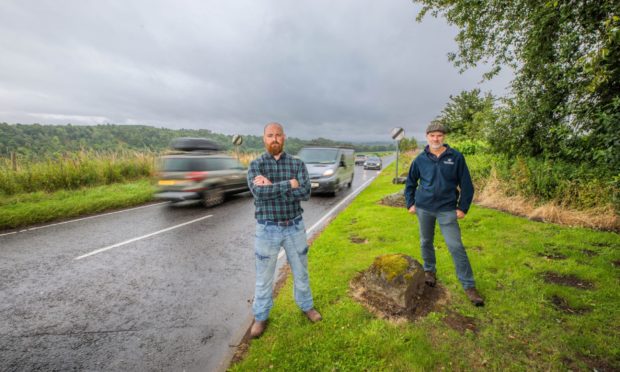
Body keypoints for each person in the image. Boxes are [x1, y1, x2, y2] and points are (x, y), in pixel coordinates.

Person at [247, 122, 322, 338]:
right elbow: (259, 194)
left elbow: (306, 192)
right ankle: (260, 317)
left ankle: (307, 306)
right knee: (263, 277)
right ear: (264, 139)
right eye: (270, 135)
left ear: (284, 137)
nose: (274, 139)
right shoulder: (256, 165)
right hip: (267, 228)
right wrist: (290, 184)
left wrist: (271, 186)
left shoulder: (297, 164)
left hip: (294, 226)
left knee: (301, 271)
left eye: (278, 135)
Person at [404, 121, 484, 306]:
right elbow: (410, 183)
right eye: (432, 135)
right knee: (425, 241)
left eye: (439, 135)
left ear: (444, 137)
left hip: (447, 209)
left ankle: (469, 286)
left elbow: (467, 186)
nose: (436, 138)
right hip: (424, 208)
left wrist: (462, 207)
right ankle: (429, 271)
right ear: (427, 137)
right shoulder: (420, 159)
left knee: (455, 246)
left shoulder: (455, 157)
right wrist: (410, 203)